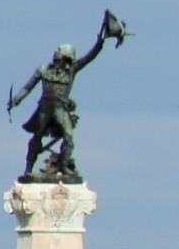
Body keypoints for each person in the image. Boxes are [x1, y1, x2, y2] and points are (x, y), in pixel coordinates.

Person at [8, 11, 126, 177]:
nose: (64, 62)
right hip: (44, 108)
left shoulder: (71, 71)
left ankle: (64, 166)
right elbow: (28, 87)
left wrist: (99, 44)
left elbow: (89, 57)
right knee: (37, 138)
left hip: (60, 108)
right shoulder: (43, 69)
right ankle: (28, 168)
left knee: (68, 137)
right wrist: (16, 100)